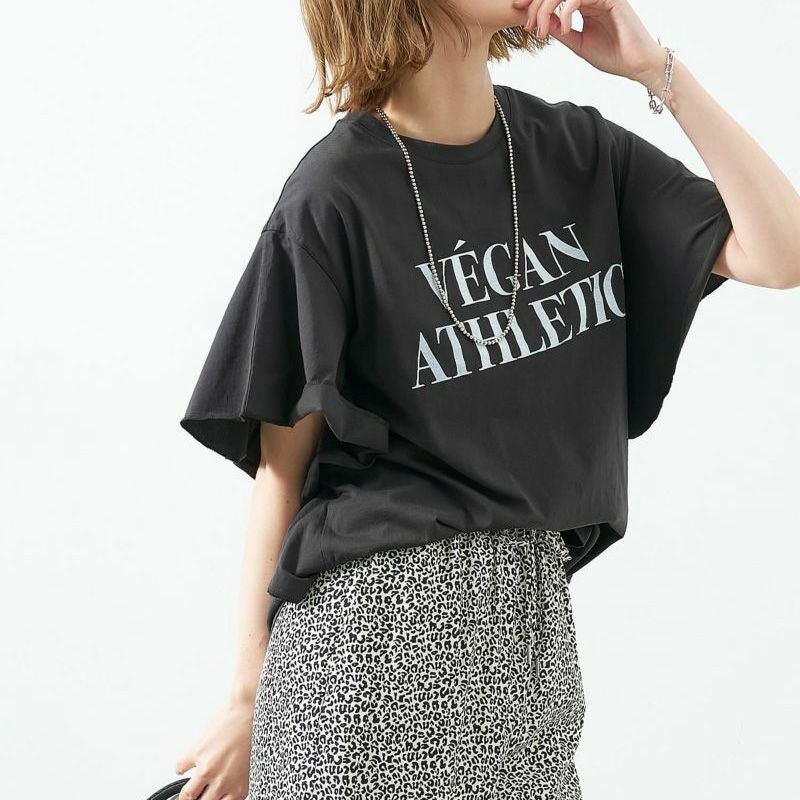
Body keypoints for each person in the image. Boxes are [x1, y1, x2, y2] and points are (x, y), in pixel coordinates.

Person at [174, 1, 800, 798]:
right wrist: (248, 698)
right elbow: (281, 471)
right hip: (366, 655)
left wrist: (656, 72)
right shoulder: (335, 194)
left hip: (529, 654)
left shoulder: (576, 152)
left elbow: (781, 253)